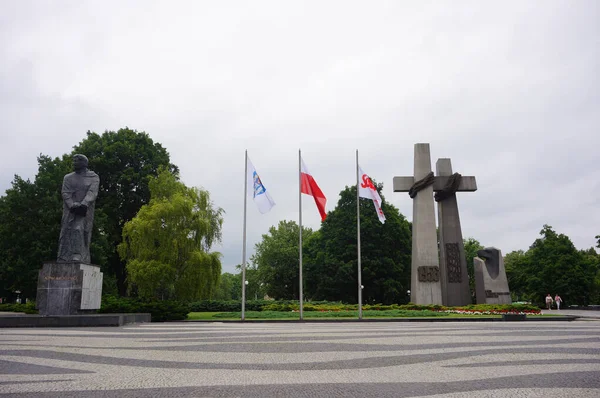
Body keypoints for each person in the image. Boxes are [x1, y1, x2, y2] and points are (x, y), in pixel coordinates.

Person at [57, 154, 100, 263]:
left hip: (85, 209)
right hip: (70, 209)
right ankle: (63, 256)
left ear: (84, 163)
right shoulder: (68, 177)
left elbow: (92, 192)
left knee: (79, 229)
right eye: (73, 161)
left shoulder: (93, 177)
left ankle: (78, 254)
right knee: (66, 231)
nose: (74, 163)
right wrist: (71, 204)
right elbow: (65, 192)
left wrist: (84, 203)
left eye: (77, 161)